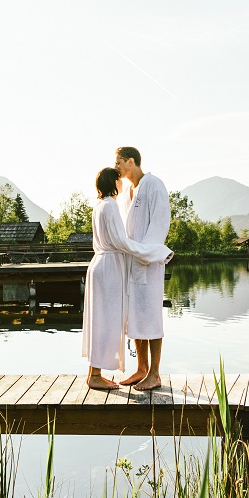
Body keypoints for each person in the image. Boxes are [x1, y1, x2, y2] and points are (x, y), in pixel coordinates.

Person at [82, 166, 172, 389]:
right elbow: (122, 242)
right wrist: (153, 252)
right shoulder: (111, 206)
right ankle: (95, 376)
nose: (121, 181)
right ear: (114, 184)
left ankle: (95, 372)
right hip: (110, 268)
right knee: (106, 322)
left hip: (100, 264)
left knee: (99, 320)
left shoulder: (99, 206)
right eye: (118, 179)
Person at [114, 145, 171, 391]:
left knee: (151, 316)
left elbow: (159, 223)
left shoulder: (154, 185)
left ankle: (155, 373)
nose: (116, 166)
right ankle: (141, 369)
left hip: (147, 262)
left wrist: (143, 253)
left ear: (131, 161)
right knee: (135, 316)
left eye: (118, 162)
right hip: (130, 264)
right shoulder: (127, 192)